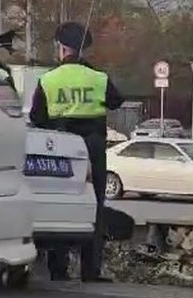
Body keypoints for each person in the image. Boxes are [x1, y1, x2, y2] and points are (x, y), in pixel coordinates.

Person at [29, 21, 124, 282]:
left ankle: (58, 270)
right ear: (83, 50)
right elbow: (117, 100)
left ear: (61, 48)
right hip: (92, 145)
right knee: (95, 207)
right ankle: (90, 271)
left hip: (61, 145)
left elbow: (37, 116)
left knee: (62, 204)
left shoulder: (48, 79)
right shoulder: (98, 77)